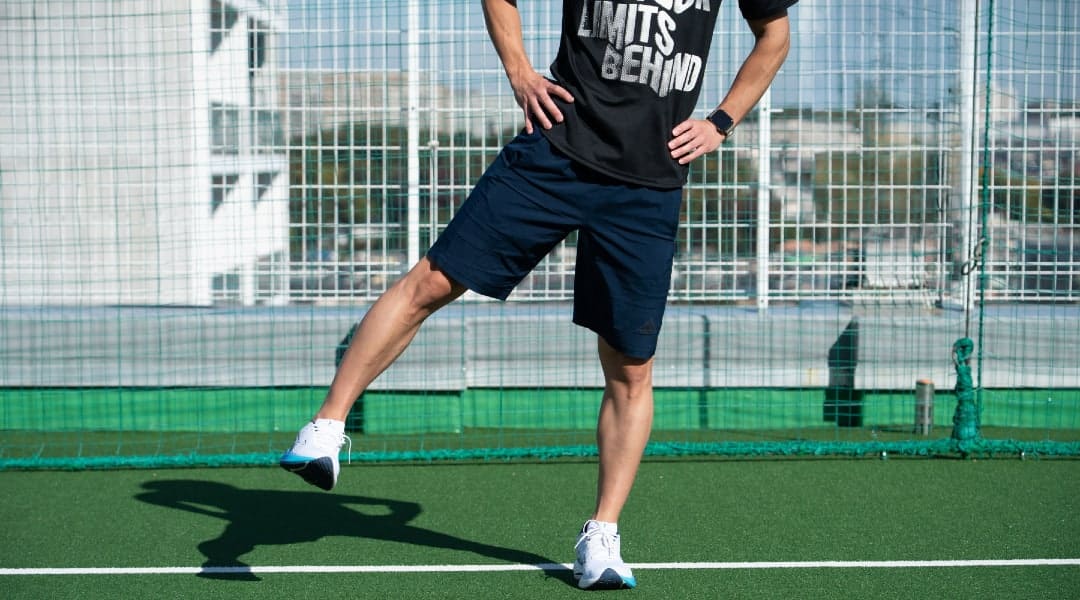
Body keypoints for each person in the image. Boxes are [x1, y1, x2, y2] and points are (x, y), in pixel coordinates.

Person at [281, 0, 795, 590]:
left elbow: (774, 35)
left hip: (648, 184)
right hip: (555, 151)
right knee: (433, 280)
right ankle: (325, 428)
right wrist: (520, 71)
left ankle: (601, 538)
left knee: (631, 366)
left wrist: (722, 121)